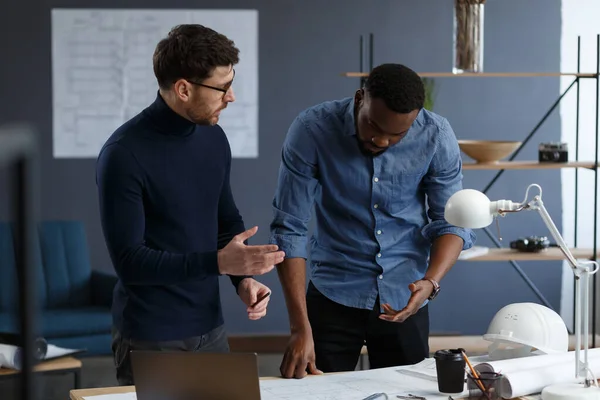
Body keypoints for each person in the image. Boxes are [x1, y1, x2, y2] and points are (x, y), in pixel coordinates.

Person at [96, 24, 285, 386]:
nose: (231, 97)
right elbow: (130, 262)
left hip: (210, 327)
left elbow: (226, 220)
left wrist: (242, 279)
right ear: (184, 89)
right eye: (222, 87)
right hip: (152, 335)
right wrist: (218, 262)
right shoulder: (122, 155)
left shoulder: (213, 137)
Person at [270, 63, 476, 378]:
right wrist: (300, 328)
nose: (381, 141)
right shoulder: (312, 129)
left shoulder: (436, 135)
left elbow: (450, 221)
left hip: (406, 295)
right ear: (359, 98)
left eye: (397, 135)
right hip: (333, 292)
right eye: (373, 126)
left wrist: (430, 282)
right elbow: (289, 228)